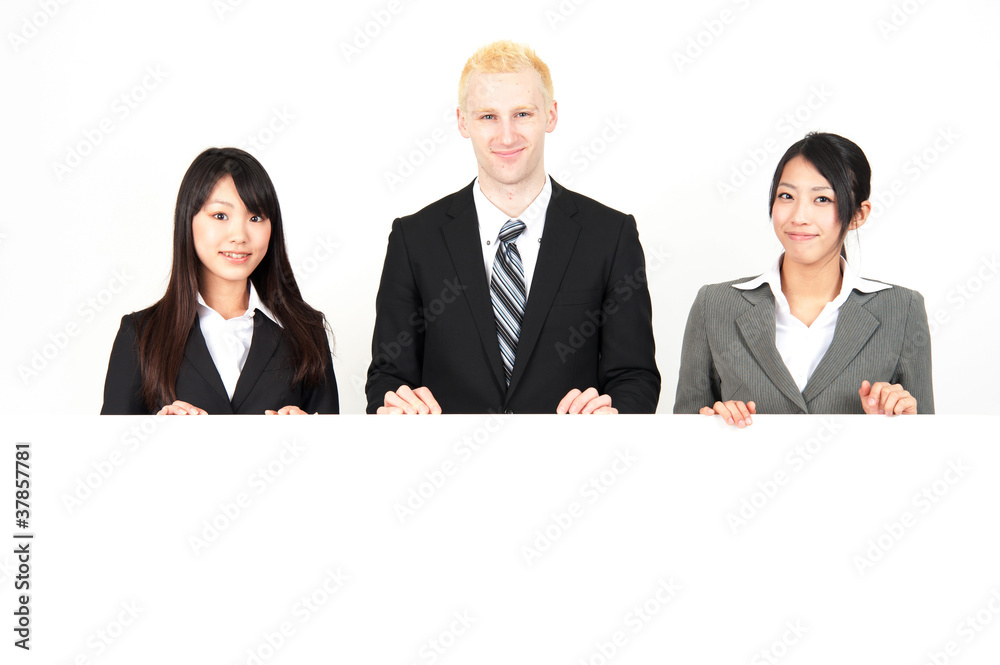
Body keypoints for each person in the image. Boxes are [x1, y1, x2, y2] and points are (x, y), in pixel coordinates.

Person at [366, 40, 660, 415]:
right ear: (462, 121)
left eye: (522, 114)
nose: (506, 136)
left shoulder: (610, 235)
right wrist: (394, 407)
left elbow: (635, 377)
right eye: (488, 116)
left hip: (569, 461)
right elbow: (388, 379)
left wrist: (612, 415)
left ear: (550, 116)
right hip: (446, 465)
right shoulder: (414, 239)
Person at [674, 132, 933, 426]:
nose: (799, 216)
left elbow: (923, 443)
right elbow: (683, 432)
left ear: (858, 215)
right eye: (787, 196)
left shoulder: (902, 309)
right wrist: (711, 423)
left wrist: (897, 423)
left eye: (822, 199)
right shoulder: (715, 305)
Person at [101, 147, 338, 415]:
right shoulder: (140, 335)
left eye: (256, 217)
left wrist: (310, 437)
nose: (239, 235)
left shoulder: (307, 332)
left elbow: (332, 453)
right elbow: (109, 453)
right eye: (220, 216)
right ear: (187, 221)